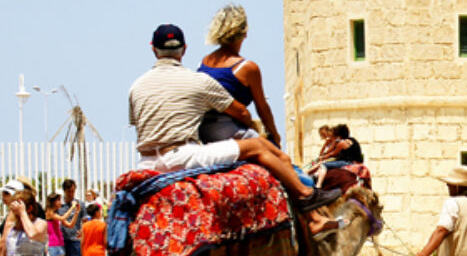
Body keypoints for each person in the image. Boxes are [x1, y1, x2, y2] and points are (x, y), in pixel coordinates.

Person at [129, 23, 340, 234]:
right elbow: (242, 112)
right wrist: (257, 128)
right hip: (183, 157)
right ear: (184, 49)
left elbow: (139, 123)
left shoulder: (136, 87)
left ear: (153, 49)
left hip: (146, 163)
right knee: (257, 145)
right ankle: (305, 196)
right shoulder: (198, 81)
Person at [197, 4, 280, 146]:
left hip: (203, 129)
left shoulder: (203, 62)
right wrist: (275, 136)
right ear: (244, 33)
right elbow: (262, 108)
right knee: (280, 158)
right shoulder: (247, 68)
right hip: (228, 129)